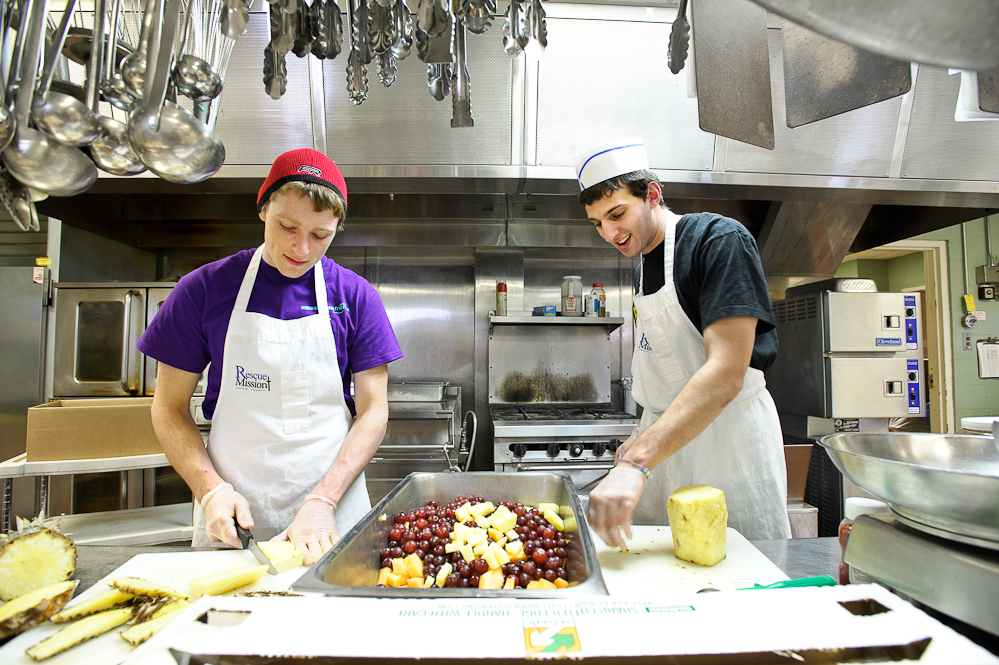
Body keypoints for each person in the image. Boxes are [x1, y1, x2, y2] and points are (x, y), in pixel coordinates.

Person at [138, 148, 403, 564]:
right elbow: (169, 408)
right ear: (263, 210)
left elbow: (374, 412)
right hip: (233, 511)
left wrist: (324, 500)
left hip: (330, 514)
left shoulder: (355, 296)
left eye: (321, 235)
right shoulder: (203, 289)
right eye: (287, 226)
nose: (301, 247)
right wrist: (210, 490)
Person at [575, 138, 791, 545]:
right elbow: (671, 369)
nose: (609, 233)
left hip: (726, 446)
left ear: (652, 195)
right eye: (598, 223)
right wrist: (641, 438)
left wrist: (637, 462)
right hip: (666, 447)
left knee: (737, 571)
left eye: (617, 214)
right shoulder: (643, 270)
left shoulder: (717, 240)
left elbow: (726, 372)